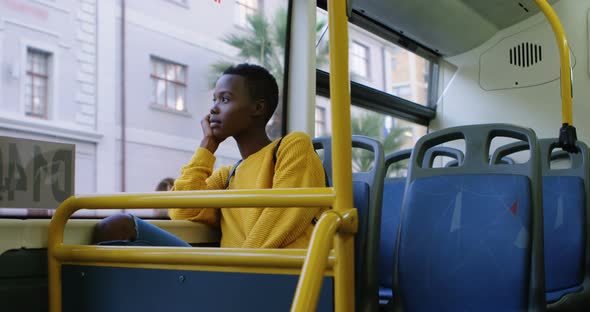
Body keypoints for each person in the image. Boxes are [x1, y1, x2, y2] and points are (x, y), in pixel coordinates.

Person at [92, 63, 327, 248]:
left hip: (275, 274)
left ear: (258, 108)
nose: (213, 108)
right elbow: (182, 210)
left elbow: (282, 221)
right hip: (234, 272)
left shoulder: (292, 147)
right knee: (118, 227)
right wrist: (207, 147)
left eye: (225, 99)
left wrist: (233, 270)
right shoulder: (228, 176)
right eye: (214, 100)